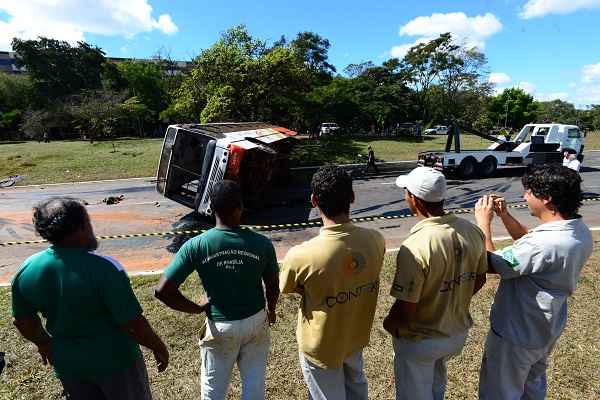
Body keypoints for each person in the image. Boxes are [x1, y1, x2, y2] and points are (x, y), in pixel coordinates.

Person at [11, 197, 168, 400]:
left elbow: (22, 321)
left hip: (70, 366)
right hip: (117, 363)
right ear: (80, 227)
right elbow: (132, 323)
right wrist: (158, 346)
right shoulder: (105, 268)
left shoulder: (27, 270)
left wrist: (43, 342)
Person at [474, 165, 593, 400]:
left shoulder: (546, 244)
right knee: (532, 387)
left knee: (500, 392)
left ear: (546, 198)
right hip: (544, 329)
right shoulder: (577, 231)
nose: (524, 196)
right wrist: (505, 216)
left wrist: (483, 223)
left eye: (528, 191)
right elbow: (529, 242)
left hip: (516, 333)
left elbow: (490, 263)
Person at [155, 180, 279, 400]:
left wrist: (195, 308)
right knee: (254, 386)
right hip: (256, 321)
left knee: (213, 391)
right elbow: (272, 285)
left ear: (211, 208)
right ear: (240, 207)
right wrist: (272, 309)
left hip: (219, 326)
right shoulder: (262, 244)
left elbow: (163, 290)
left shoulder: (197, 245)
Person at [280, 165, 386, 400]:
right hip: (355, 336)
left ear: (313, 201)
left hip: (321, 348)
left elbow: (288, 287)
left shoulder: (301, 255)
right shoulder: (376, 240)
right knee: (357, 389)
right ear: (352, 197)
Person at [384, 167, 488, 400]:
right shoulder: (472, 230)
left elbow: (405, 308)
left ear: (414, 199)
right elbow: (480, 278)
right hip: (455, 334)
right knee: (436, 385)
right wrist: (452, 298)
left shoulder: (417, 245)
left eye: (406, 192)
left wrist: (390, 324)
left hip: (421, 341)